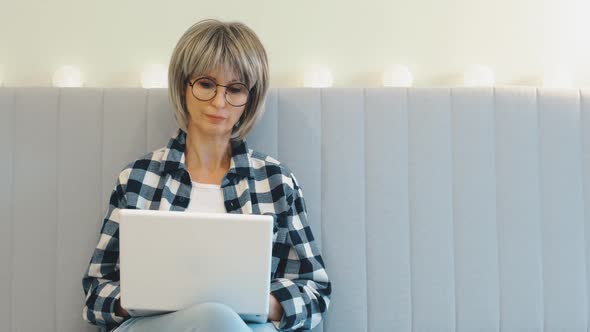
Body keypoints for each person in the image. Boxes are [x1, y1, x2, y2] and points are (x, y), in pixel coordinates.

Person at [81, 19, 331, 332]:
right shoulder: (137, 178)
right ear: (183, 86)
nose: (218, 102)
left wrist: (255, 304)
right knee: (212, 317)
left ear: (249, 99)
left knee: (223, 319)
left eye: (235, 89)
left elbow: (314, 290)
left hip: (248, 327)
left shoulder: (277, 181)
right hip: (154, 327)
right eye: (206, 84)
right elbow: (95, 293)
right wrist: (138, 297)